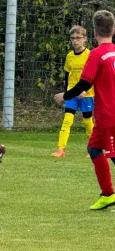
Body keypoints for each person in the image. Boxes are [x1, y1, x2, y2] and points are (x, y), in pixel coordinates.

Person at [55, 10, 115, 210]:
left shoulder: (96, 54)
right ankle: (107, 194)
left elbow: (84, 83)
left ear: (95, 32)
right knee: (94, 149)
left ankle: (108, 194)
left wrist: (65, 95)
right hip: (104, 115)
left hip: (109, 115)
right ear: (113, 30)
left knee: (112, 154)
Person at [52, 25, 94, 157]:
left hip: (87, 94)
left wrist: (84, 91)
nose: (75, 41)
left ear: (84, 39)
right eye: (72, 38)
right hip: (71, 93)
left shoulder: (90, 55)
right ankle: (61, 149)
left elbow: (93, 76)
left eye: (78, 38)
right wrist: (66, 94)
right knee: (67, 120)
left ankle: (93, 148)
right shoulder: (69, 56)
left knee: (87, 121)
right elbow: (67, 75)